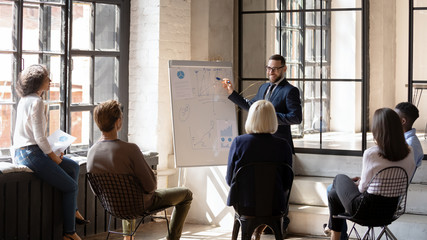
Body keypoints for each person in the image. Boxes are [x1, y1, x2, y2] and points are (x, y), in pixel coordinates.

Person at [87, 100, 193, 240]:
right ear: (118, 122)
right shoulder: (130, 150)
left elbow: (97, 191)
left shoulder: (91, 152)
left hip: (113, 207)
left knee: (126, 193)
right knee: (186, 194)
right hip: (139, 205)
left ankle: (127, 238)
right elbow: (150, 187)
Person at [323, 102, 424, 239]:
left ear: (378, 130)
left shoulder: (371, 153)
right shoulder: (410, 150)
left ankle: (334, 231)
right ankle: (335, 233)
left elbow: (362, 188)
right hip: (390, 210)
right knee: (334, 194)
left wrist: (358, 184)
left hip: (364, 211)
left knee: (339, 179)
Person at [13, 64, 87, 240]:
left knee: (74, 167)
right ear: (39, 82)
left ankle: (73, 208)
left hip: (24, 152)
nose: (51, 81)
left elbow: (35, 137)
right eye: (48, 78)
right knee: (71, 186)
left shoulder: (25, 100)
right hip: (31, 153)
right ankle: (69, 233)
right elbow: (39, 137)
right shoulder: (37, 102)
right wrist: (54, 157)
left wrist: (52, 153)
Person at [226, 100, 293, 240]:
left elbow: (229, 179)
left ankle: (253, 232)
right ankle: (258, 232)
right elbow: (287, 183)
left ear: (251, 118)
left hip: (245, 206)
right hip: (275, 206)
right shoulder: (283, 145)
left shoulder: (239, 143)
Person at [222, 54, 302, 154]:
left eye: (275, 69)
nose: (271, 72)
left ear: (284, 69)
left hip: (280, 147)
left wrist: (269, 116)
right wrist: (231, 92)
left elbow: (296, 118)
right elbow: (251, 107)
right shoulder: (263, 87)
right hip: (260, 146)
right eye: (268, 68)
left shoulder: (290, 90)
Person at [395, 102, 424, 179]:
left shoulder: (410, 144)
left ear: (403, 121)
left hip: (394, 185)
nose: (391, 119)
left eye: (394, 117)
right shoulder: (401, 139)